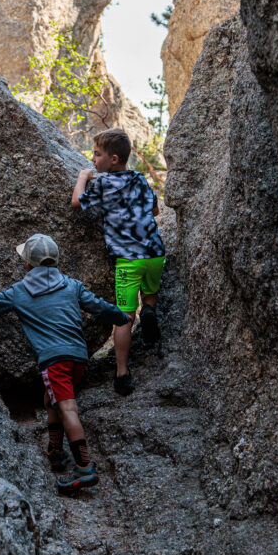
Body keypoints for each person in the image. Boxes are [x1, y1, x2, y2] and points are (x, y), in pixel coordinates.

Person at [0, 233, 130, 492]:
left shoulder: (19, 292)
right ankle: (55, 450)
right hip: (78, 358)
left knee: (68, 409)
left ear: (28, 265)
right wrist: (121, 317)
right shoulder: (72, 285)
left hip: (54, 361)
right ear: (57, 261)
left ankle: (84, 468)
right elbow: (99, 307)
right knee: (51, 400)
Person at [71, 128, 165, 396]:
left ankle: (122, 374)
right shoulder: (139, 178)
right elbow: (156, 210)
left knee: (124, 317)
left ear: (113, 159)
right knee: (150, 293)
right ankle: (149, 310)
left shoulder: (102, 184)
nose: (92, 158)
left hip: (127, 261)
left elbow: (77, 202)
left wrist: (83, 177)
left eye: (97, 154)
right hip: (155, 255)